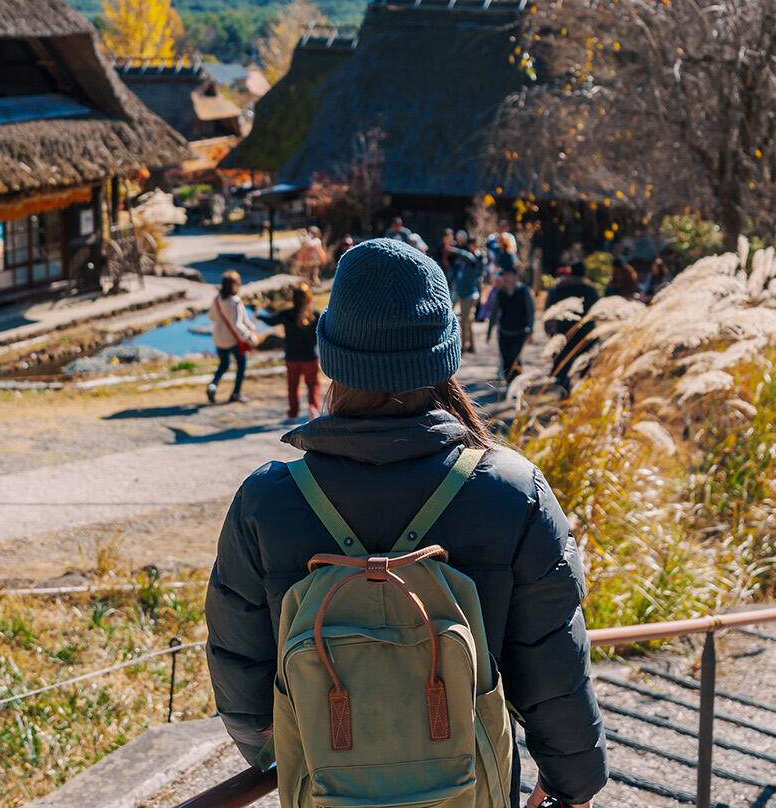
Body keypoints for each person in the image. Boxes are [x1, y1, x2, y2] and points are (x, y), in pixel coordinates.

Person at [205, 238, 607, 808]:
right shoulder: (512, 491)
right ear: (445, 356)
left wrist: (308, 748)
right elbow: (554, 667)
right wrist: (574, 786)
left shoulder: (265, 502)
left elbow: (241, 685)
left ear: (332, 357)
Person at [261, 284, 322, 419]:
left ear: (293, 299)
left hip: (292, 357)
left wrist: (258, 315)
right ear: (308, 298)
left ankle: (293, 412)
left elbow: (271, 321)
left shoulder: (286, 314)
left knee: (293, 386)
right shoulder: (315, 315)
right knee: (312, 384)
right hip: (310, 357)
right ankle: (313, 408)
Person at [207, 270, 258, 404]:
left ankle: (213, 385)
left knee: (223, 365)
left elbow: (211, 316)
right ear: (233, 285)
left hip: (219, 338)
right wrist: (249, 336)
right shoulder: (234, 302)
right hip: (233, 340)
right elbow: (237, 324)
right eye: (238, 282)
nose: (240, 284)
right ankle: (235, 393)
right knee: (241, 366)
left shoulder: (217, 299)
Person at [487, 267, 535, 381]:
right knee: (506, 360)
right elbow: (493, 313)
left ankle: (516, 383)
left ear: (516, 277)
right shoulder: (500, 293)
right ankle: (510, 383)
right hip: (503, 332)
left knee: (514, 357)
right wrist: (489, 332)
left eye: (509, 275)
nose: (507, 278)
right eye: (504, 276)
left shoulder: (524, 291)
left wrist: (531, 331)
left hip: (520, 332)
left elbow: (531, 312)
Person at [445, 232, 488, 353]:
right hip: (463, 291)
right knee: (468, 320)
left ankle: (463, 347)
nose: (475, 246)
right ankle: (471, 346)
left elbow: (470, 258)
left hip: (472, 293)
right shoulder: (467, 257)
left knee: (464, 320)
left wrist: (454, 250)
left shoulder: (479, 256)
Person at [544, 264, 601, 335]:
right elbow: (597, 309)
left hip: (563, 328)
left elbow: (549, 307)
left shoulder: (560, 287)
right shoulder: (590, 289)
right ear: (584, 273)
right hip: (585, 330)